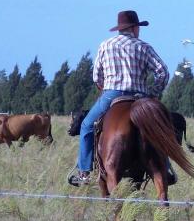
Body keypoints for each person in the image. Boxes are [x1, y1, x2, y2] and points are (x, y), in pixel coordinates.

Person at [68, 10, 170, 186]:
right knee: (162, 128)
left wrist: (103, 87)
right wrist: (153, 92)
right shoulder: (144, 47)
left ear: (120, 28)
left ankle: (84, 173)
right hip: (140, 97)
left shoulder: (105, 45)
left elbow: (96, 76)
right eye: (138, 27)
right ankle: (166, 168)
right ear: (134, 28)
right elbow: (163, 72)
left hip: (112, 95)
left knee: (86, 126)